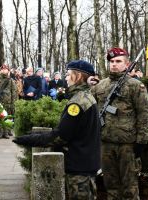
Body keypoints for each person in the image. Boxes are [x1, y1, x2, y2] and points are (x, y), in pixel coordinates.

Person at [13, 60, 101, 199]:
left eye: (68, 74)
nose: (65, 78)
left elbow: (62, 135)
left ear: (77, 76)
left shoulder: (78, 103)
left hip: (80, 167)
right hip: (85, 162)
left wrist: (32, 139)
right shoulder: (84, 97)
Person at [91, 47, 148, 199]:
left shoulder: (136, 86)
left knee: (129, 188)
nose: (114, 64)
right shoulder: (100, 86)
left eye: (118, 61)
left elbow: (144, 114)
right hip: (106, 143)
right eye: (111, 61)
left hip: (128, 145)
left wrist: (141, 141)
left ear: (127, 64)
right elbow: (89, 108)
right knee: (110, 186)